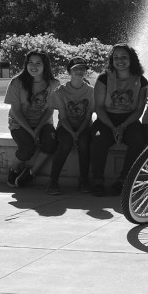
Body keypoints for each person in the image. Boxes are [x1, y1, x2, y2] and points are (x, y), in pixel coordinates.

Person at [91, 44, 148, 197]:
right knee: (98, 139)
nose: (119, 60)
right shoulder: (104, 78)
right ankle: (97, 181)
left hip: (129, 120)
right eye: (116, 57)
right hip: (106, 118)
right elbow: (99, 107)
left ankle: (123, 181)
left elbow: (138, 110)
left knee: (138, 139)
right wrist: (112, 127)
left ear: (132, 59)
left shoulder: (141, 80)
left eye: (123, 57)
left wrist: (123, 126)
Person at [4, 49, 60, 188]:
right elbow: (15, 110)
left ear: (45, 65)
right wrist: (30, 131)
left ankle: (31, 172)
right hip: (19, 123)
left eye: (38, 63)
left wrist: (39, 128)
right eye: (30, 63)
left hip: (43, 123)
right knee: (27, 148)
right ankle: (14, 168)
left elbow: (50, 110)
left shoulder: (53, 84)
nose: (33, 66)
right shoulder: (16, 82)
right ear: (26, 64)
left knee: (51, 143)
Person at [46, 57, 94, 195]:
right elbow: (62, 117)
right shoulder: (61, 91)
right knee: (66, 143)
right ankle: (53, 181)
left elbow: (88, 116)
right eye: (75, 69)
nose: (79, 71)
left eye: (82, 68)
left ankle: (83, 180)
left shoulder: (91, 91)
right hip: (65, 127)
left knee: (84, 142)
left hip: (84, 126)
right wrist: (73, 134)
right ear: (69, 72)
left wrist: (79, 132)